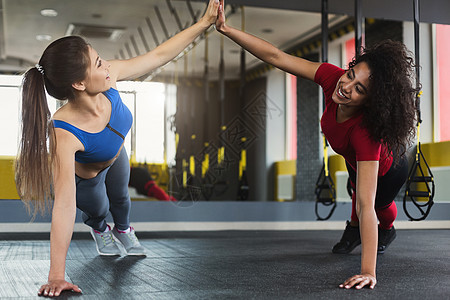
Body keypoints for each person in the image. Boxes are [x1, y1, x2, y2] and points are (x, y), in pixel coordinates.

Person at [15, 0, 220, 297]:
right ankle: (100, 229)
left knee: (122, 201)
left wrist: (203, 23)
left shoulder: (109, 80)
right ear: (79, 84)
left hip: (115, 155)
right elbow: (63, 205)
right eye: (98, 63)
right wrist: (56, 275)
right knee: (99, 209)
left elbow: (159, 55)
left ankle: (123, 230)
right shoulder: (64, 131)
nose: (107, 65)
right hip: (87, 176)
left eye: (101, 58)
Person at [215, 0, 417, 290]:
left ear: (370, 102)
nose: (346, 87)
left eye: (359, 89)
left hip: (390, 166)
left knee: (376, 205)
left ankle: (387, 232)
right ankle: (353, 228)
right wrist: (226, 29)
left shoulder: (365, 135)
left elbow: (365, 205)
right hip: (353, 160)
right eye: (351, 75)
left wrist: (368, 271)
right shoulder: (331, 77)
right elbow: (276, 56)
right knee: (354, 190)